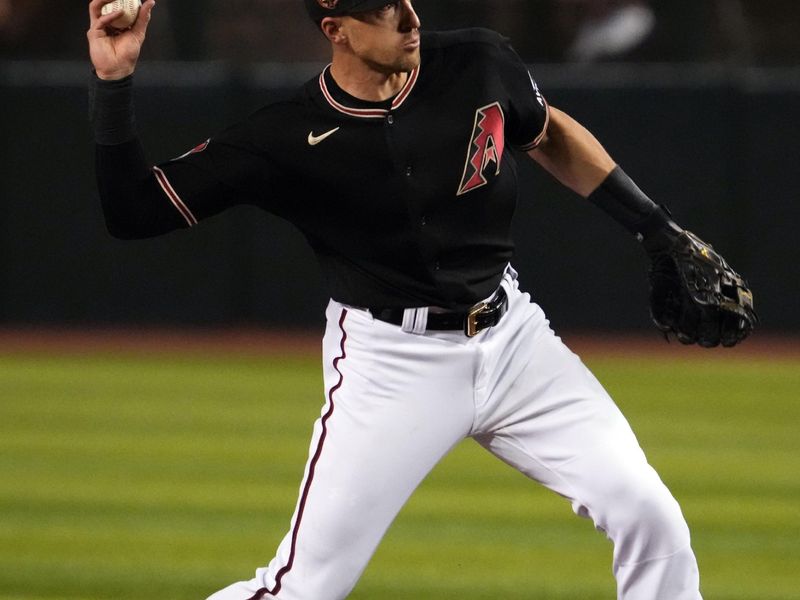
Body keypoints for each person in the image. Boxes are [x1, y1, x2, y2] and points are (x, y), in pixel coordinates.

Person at [86, 0, 754, 597]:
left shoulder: (477, 62)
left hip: (514, 339)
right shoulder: (284, 138)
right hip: (391, 365)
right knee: (304, 588)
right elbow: (134, 209)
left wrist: (657, 228)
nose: (408, 17)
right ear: (336, 29)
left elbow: (546, 131)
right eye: (382, 9)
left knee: (650, 515)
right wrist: (114, 84)